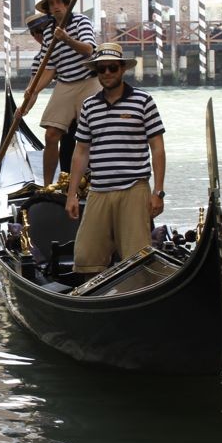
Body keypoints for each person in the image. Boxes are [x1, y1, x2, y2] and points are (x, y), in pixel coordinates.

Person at [65, 42, 166, 275]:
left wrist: (158, 192)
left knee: (137, 259)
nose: (107, 73)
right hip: (98, 190)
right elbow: (81, 152)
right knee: (85, 256)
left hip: (134, 189)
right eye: (102, 69)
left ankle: (137, 290)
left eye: (112, 68)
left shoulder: (143, 101)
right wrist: (71, 194)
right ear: (97, 72)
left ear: (122, 69)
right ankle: (97, 294)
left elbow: (158, 149)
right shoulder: (89, 106)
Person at [22, 0, 100, 186]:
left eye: (59, 2)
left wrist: (66, 38)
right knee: (51, 135)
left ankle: (95, 180)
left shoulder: (81, 21)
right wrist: (32, 92)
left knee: (91, 135)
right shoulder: (49, 33)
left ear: (66, 5)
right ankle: (48, 186)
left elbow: (88, 50)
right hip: (65, 84)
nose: (56, 6)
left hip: (89, 81)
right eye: (52, 4)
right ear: (48, 9)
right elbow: (49, 69)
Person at [25, 12, 76, 173]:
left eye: (40, 31)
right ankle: (66, 177)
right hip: (66, 97)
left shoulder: (68, 45)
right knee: (64, 136)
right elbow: (33, 89)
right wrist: (24, 109)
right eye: (33, 33)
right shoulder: (38, 59)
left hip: (84, 93)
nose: (37, 36)